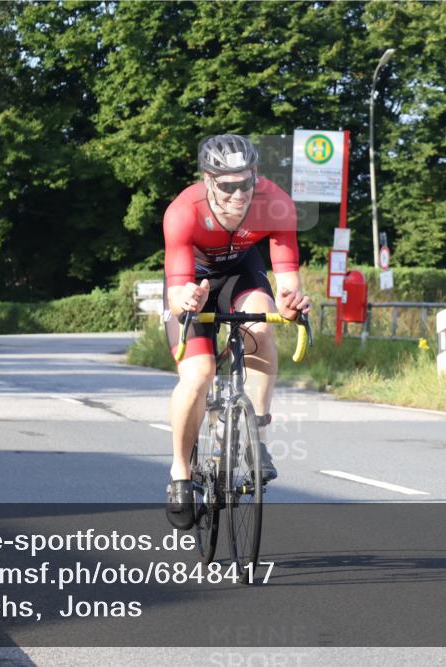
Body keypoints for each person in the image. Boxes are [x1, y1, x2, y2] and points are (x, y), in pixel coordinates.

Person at [162, 134, 310, 529]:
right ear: (208, 180)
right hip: (193, 281)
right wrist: (187, 302)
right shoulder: (183, 212)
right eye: (228, 186)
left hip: (241, 273)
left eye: (247, 183)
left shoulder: (274, 203)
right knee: (199, 376)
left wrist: (292, 303)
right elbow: (177, 294)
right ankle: (180, 473)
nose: (239, 194)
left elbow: (287, 281)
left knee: (263, 321)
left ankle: (256, 436)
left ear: (256, 176)